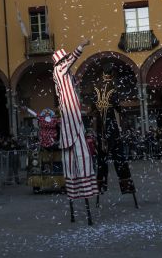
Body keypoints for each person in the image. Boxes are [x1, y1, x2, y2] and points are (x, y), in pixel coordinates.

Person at [52, 39, 98, 201]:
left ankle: (81, 188)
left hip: (73, 115)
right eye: (64, 59)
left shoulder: (64, 74)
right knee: (80, 154)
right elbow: (73, 58)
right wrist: (81, 46)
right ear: (61, 61)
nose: (66, 61)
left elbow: (71, 85)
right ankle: (81, 188)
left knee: (81, 153)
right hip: (70, 115)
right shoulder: (59, 69)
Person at [92, 64, 136, 195]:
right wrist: (123, 116)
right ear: (111, 76)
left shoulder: (95, 89)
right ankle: (126, 185)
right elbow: (118, 107)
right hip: (111, 128)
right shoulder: (113, 89)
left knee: (101, 159)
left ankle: (100, 185)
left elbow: (93, 109)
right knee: (119, 157)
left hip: (101, 129)